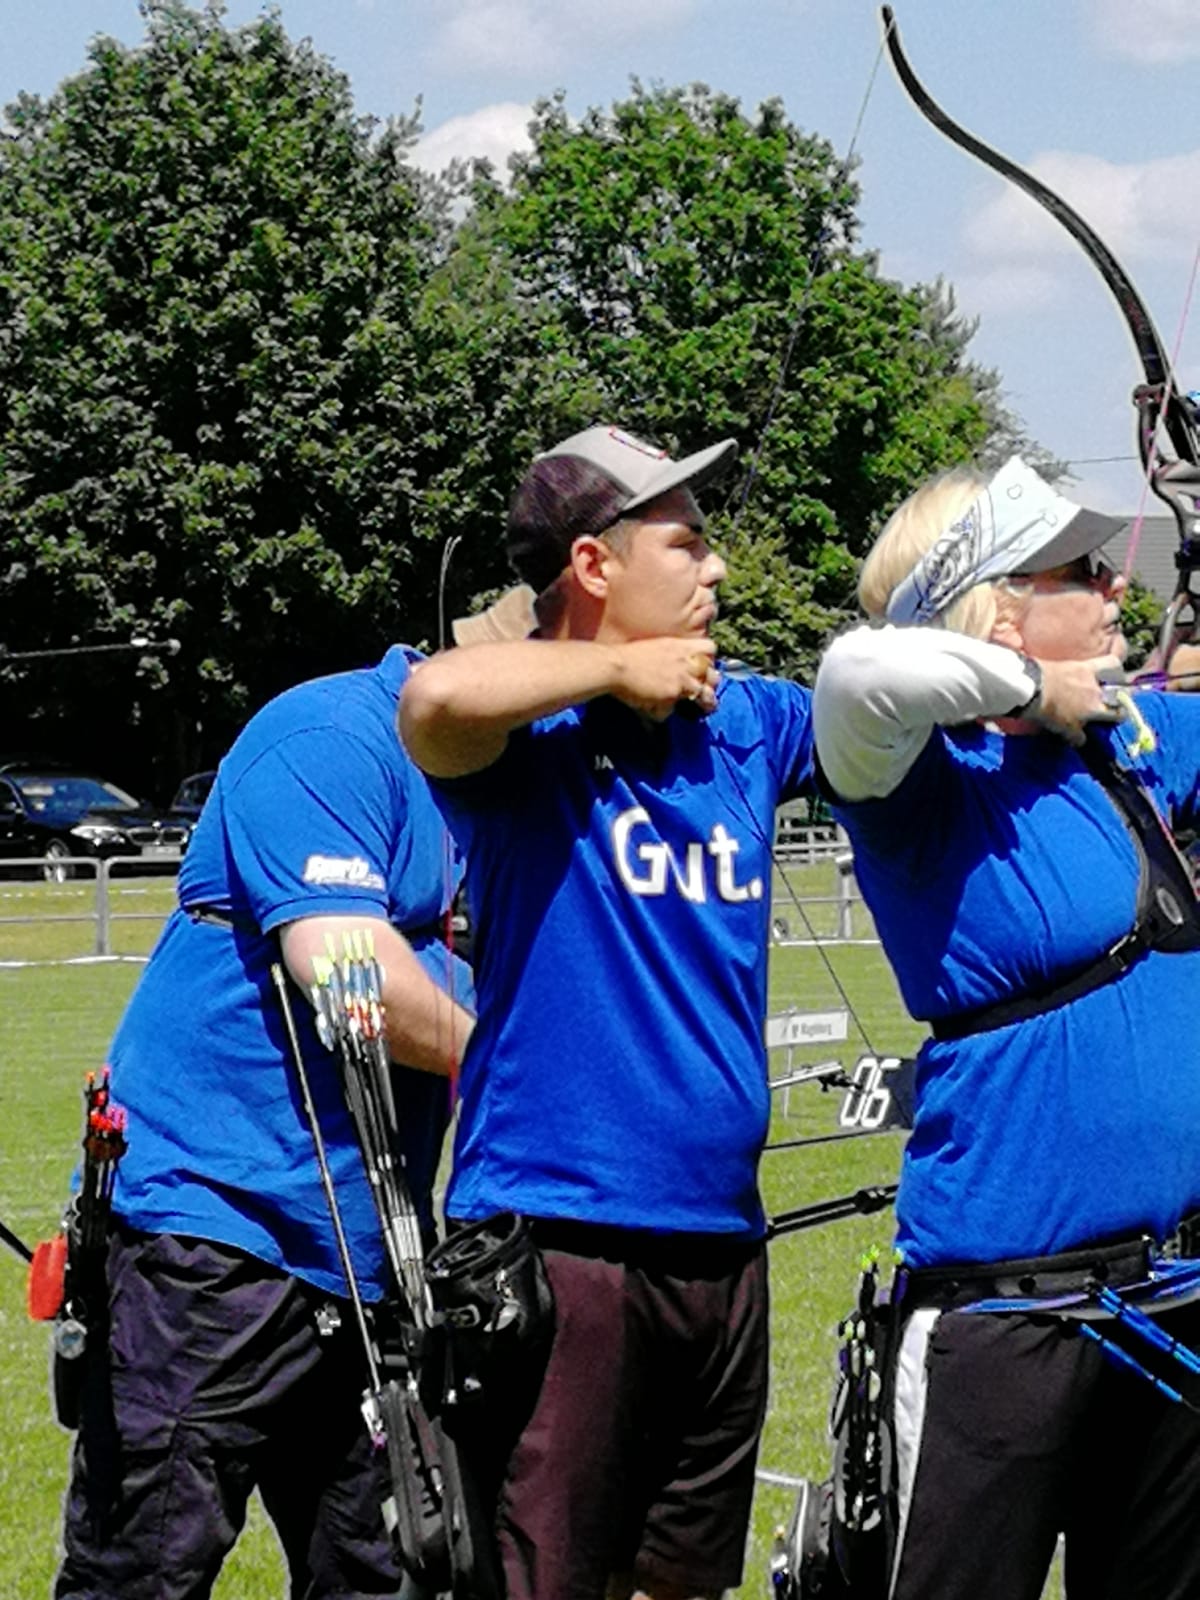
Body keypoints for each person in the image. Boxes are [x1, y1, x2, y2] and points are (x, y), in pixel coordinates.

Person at [399, 423, 817, 1600]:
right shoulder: (533, 741)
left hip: (722, 1242)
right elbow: (433, 697)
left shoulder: (746, 720)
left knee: (681, 1581)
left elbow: (878, 706)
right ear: (593, 564)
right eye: (686, 544)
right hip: (563, 1238)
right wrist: (614, 673)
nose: (716, 568)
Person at [812, 455, 1200, 1600]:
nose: (1117, 587)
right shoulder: (926, 780)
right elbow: (856, 670)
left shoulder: (1128, 746)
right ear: (995, 605)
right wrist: (1037, 690)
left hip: (1174, 1295)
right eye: (1081, 570)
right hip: (1007, 1313)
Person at [56, 642, 476, 1600]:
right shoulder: (330, 736)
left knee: (387, 1573)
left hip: (370, 1265)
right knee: (141, 1571)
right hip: (210, 1248)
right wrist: (525, 1069)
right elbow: (352, 978)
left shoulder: (511, 787)